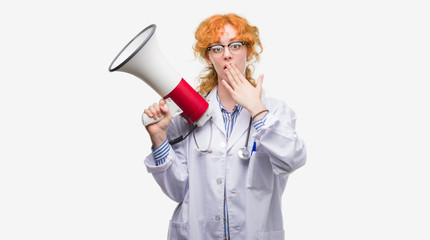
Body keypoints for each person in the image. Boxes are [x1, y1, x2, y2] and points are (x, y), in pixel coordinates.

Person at [143, 13, 306, 240]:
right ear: (209, 57)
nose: (227, 54)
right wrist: (159, 138)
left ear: (249, 50)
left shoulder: (275, 111)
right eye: (217, 48)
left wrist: (257, 110)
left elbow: (293, 159)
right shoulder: (186, 116)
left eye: (235, 45)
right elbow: (176, 190)